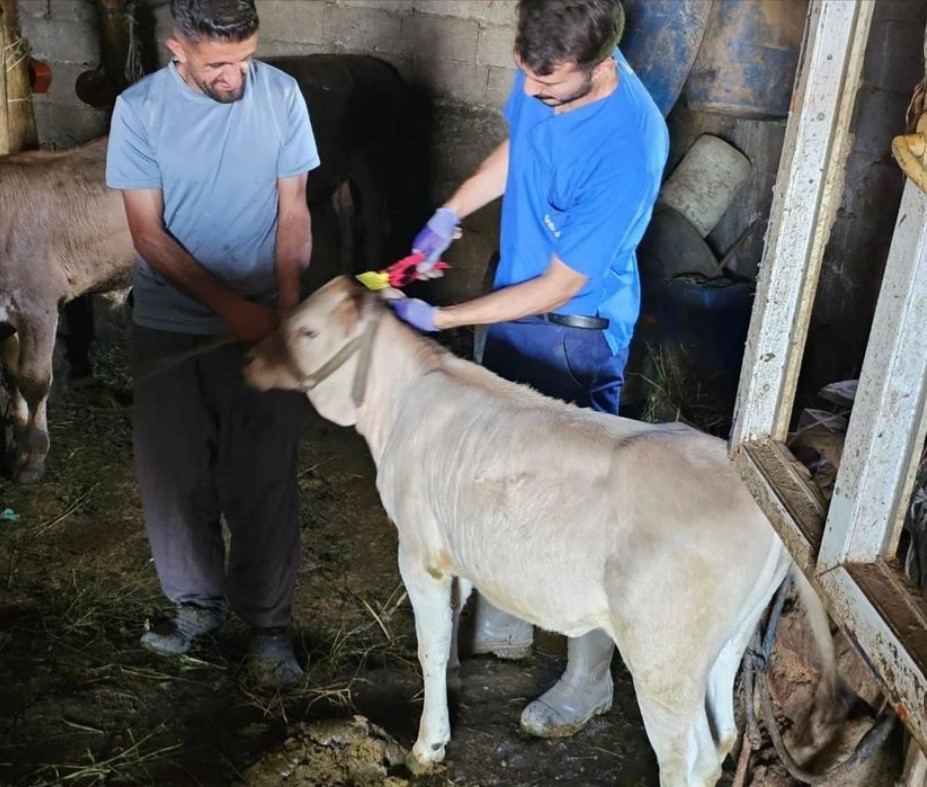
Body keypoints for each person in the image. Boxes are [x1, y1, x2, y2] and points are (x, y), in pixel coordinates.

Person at [392, 0, 669, 737]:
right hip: (512, 314)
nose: (534, 92)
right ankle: (511, 616)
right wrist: (447, 214)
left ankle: (588, 680)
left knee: (580, 504)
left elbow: (558, 284)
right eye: (527, 77)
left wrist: (444, 319)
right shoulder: (545, 66)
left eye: (549, 87)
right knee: (499, 471)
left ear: (600, 67)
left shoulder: (628, 146)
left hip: (572, 335)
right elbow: (522, 146)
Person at [106, 0, 318, 689]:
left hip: (261, 317)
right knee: (174, 476)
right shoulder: (139, 111)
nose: (237, 75)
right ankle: (197, 610)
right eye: (219, 64)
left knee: (263, 474)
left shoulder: (281, 96)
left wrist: (284, 310)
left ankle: (268, 627)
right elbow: (148, 235)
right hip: (171, 328)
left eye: (246, 57)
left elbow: (293, 209)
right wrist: (231, 308)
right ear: (178, 51)